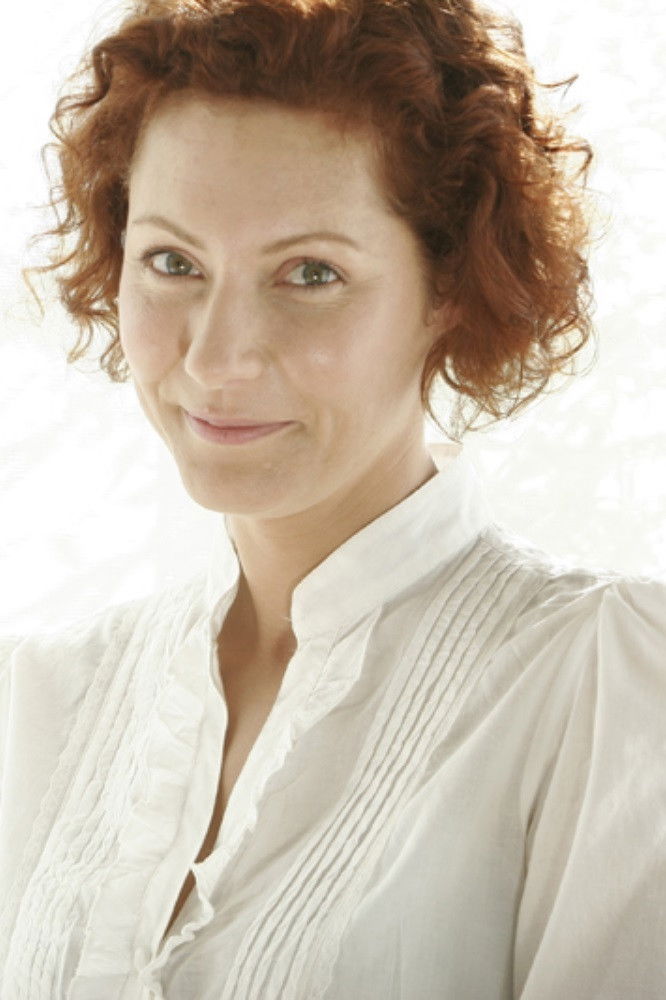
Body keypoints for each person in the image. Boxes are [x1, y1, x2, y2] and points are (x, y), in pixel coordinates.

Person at [1, 0, 664, 997]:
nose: (218, 358)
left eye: (310, 274)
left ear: (450, 288)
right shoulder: (45, 698)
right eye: (173, 262)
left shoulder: (597, 683)